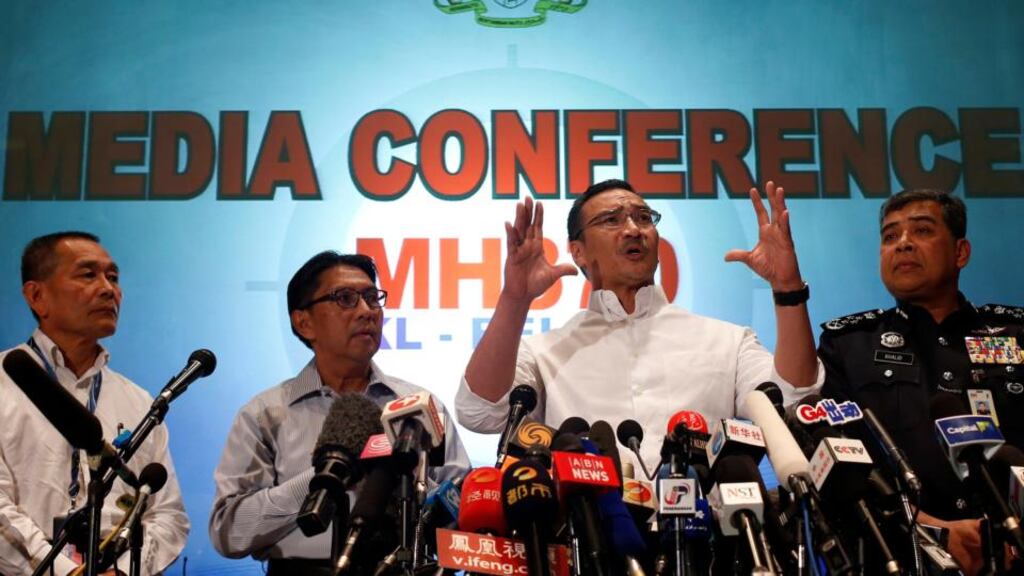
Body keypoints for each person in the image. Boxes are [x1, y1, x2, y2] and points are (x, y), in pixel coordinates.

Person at [455, 179, 822, 469]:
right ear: (577, 251)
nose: (633, 229)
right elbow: (480, 412)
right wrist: (515, 300)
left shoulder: (727, 340)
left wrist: (787, 288)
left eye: (643, 217)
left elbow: (793, 399)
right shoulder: (544, 351)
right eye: (611, 220)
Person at [209, 252, 470, 573]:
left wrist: (408, 489)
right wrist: (328, 477)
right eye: (345, 299)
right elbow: (229, 532)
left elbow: (464, 517)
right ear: (303, 322)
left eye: (372, 298)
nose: (366, 311)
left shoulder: (420, 406)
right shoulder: (265, 413)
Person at [818, 188, 1024, 574]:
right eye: (890, 236)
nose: (903, 245)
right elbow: (838, 465)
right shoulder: (848, 346)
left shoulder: (1016, 335)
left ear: (961, 252)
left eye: (922, 231)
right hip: (903, 556)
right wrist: (933, 529)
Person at [0, 232, 189, 576]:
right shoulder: (3, 382)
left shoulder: (139, 401)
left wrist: (120, 573)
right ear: (36, 296)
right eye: (88, 275)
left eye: (113, 277)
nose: (108, 289)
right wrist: (64, 572)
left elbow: (168, 516)